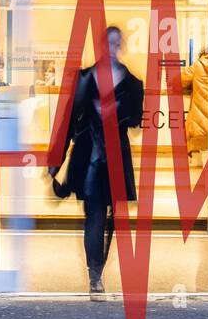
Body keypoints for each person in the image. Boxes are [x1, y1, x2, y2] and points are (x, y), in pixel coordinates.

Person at [49, 26, 144, 295]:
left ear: (121, 46)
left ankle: (97, 268)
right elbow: (67, 121)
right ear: (101, 46)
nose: (112, 49)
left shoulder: (132, 83)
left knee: (114, 217)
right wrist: (56, 159)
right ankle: (95, 274)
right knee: (95, 216)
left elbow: (136, 120)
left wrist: (116, 112)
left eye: (117, 44)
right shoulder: (83, 78)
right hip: (89, 156)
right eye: (108, 44)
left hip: (115, 156)